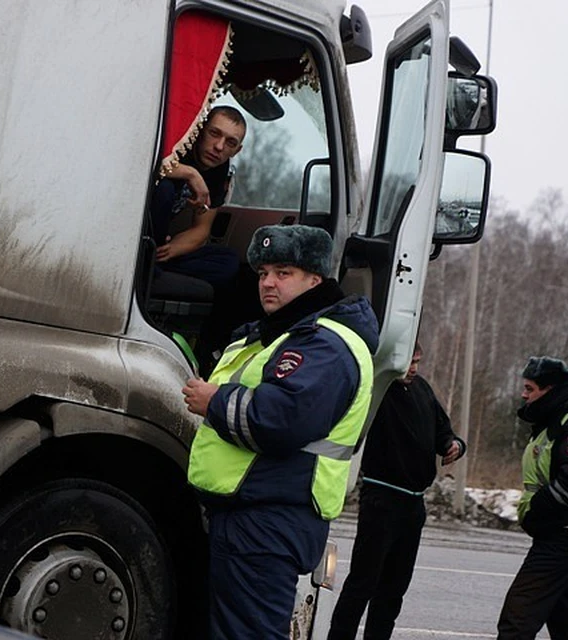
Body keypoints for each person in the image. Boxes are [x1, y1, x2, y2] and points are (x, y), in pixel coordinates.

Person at [182, 224, 379, 639]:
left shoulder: (325, 343)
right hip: (250, 514)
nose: (268, 283)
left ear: (316, 278)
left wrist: (214, 400)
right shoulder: (278, 336)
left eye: (284, 272)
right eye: (263, 272)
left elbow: (281, 420)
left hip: (270, 519)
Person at [327, 343, 465, 640]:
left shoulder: (423, 390)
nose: (413, 368)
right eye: (409, 362)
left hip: (413, 505)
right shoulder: (377, 389)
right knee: (363, 582)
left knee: (394, 588)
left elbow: (444, 431)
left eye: (417, 362)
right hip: (381, 499)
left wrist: (454, 445)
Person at [497, 356, 568, 639]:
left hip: (564, 532)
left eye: (530, 389)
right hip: (555, 531)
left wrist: (535, 514)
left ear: (551, 391)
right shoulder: (554, 424)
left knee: (517, 619)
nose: (524, 395)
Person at [152, 106, 244, 291]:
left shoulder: (220, 168)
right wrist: (191, 174)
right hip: (134, 231)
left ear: (236, 150)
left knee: (228, 262)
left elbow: (202, 228)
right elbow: (146, 162)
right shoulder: (178, 144)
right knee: (165, 188)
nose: (219, 146)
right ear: (199, 129)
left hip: (158, 246)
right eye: (214, 133)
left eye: (230, 143)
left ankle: (153, 265)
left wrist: (171, 249)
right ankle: (148, 266)